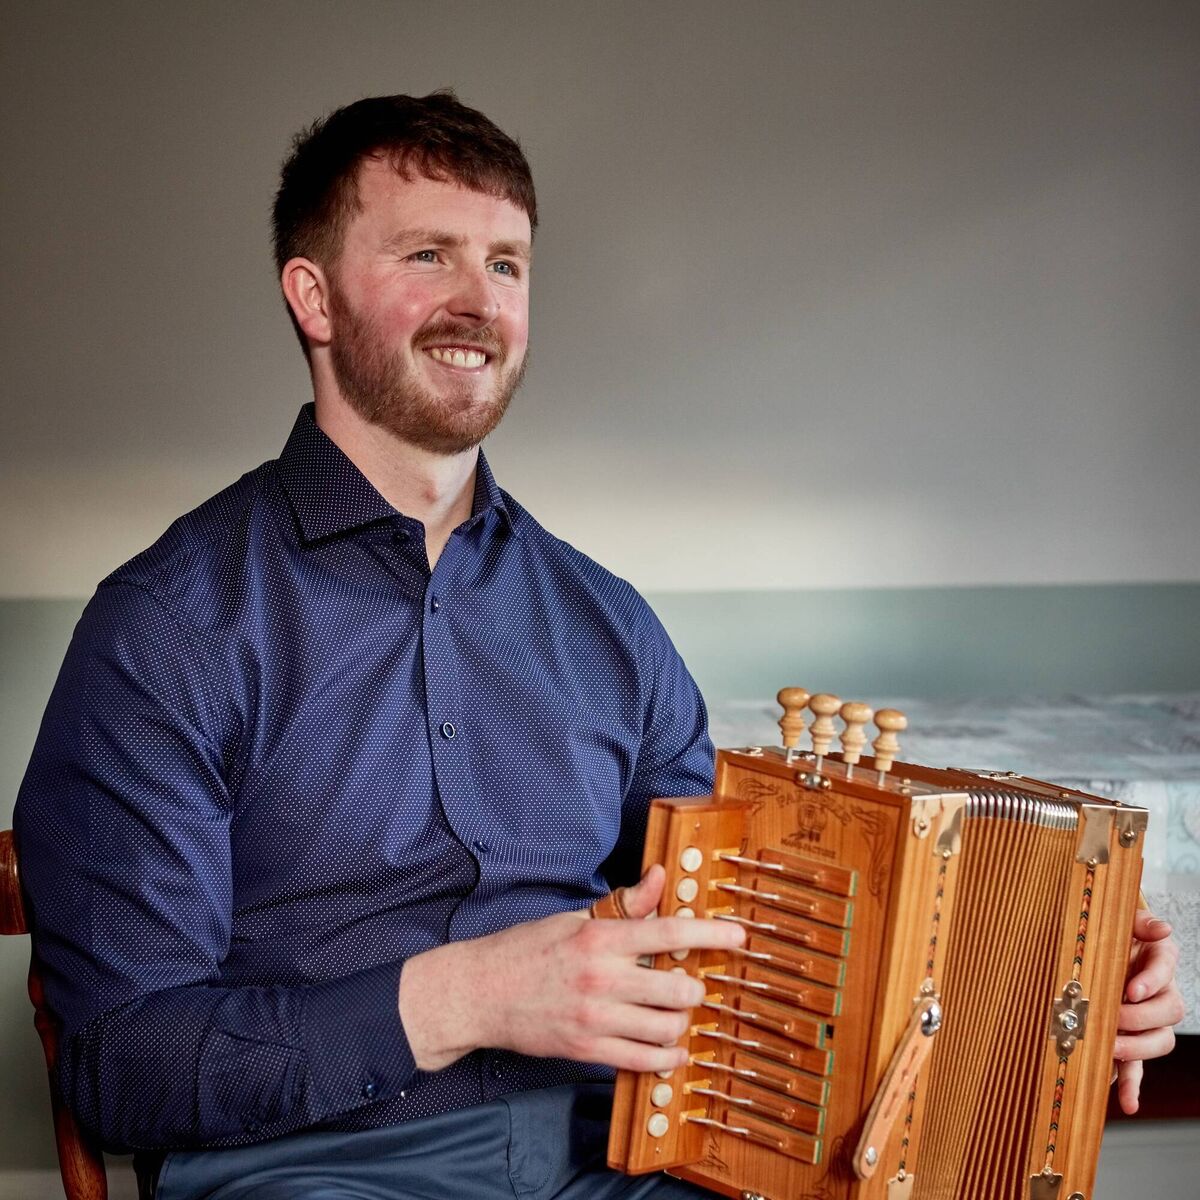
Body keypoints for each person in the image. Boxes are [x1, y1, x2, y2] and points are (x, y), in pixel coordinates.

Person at [13, 92, 1182, 1200]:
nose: (478, 298)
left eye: (506, 263)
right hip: (312, 1169)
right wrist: (462, 998)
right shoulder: (164, 630)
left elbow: (760, 937)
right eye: (427, 255)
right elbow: (122, 1064)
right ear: (314, 299)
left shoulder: (606, 623)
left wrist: (1055, 1004)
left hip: (618, 1160)